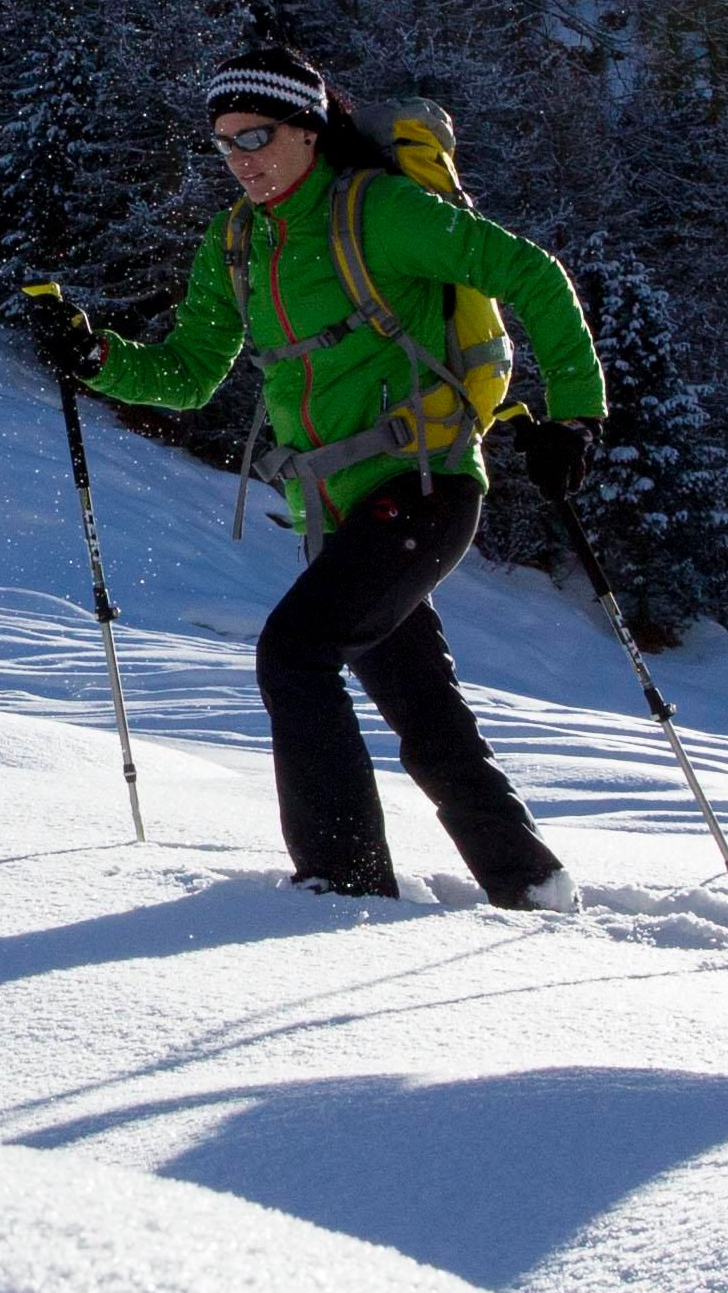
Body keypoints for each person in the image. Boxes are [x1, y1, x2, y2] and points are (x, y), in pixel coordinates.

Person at [32, 53, 608, 908]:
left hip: (425, 485)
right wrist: (97, 358)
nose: (241, 160)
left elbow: (533, 275)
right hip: (334, 512)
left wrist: (574, 413)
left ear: (309, 129)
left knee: (295, 654)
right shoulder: (236, 240)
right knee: (420, 705)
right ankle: (528, 882)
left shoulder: (381, 212)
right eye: (225, 144)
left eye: (257, 137)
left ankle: (343, 887)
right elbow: (190, 372)